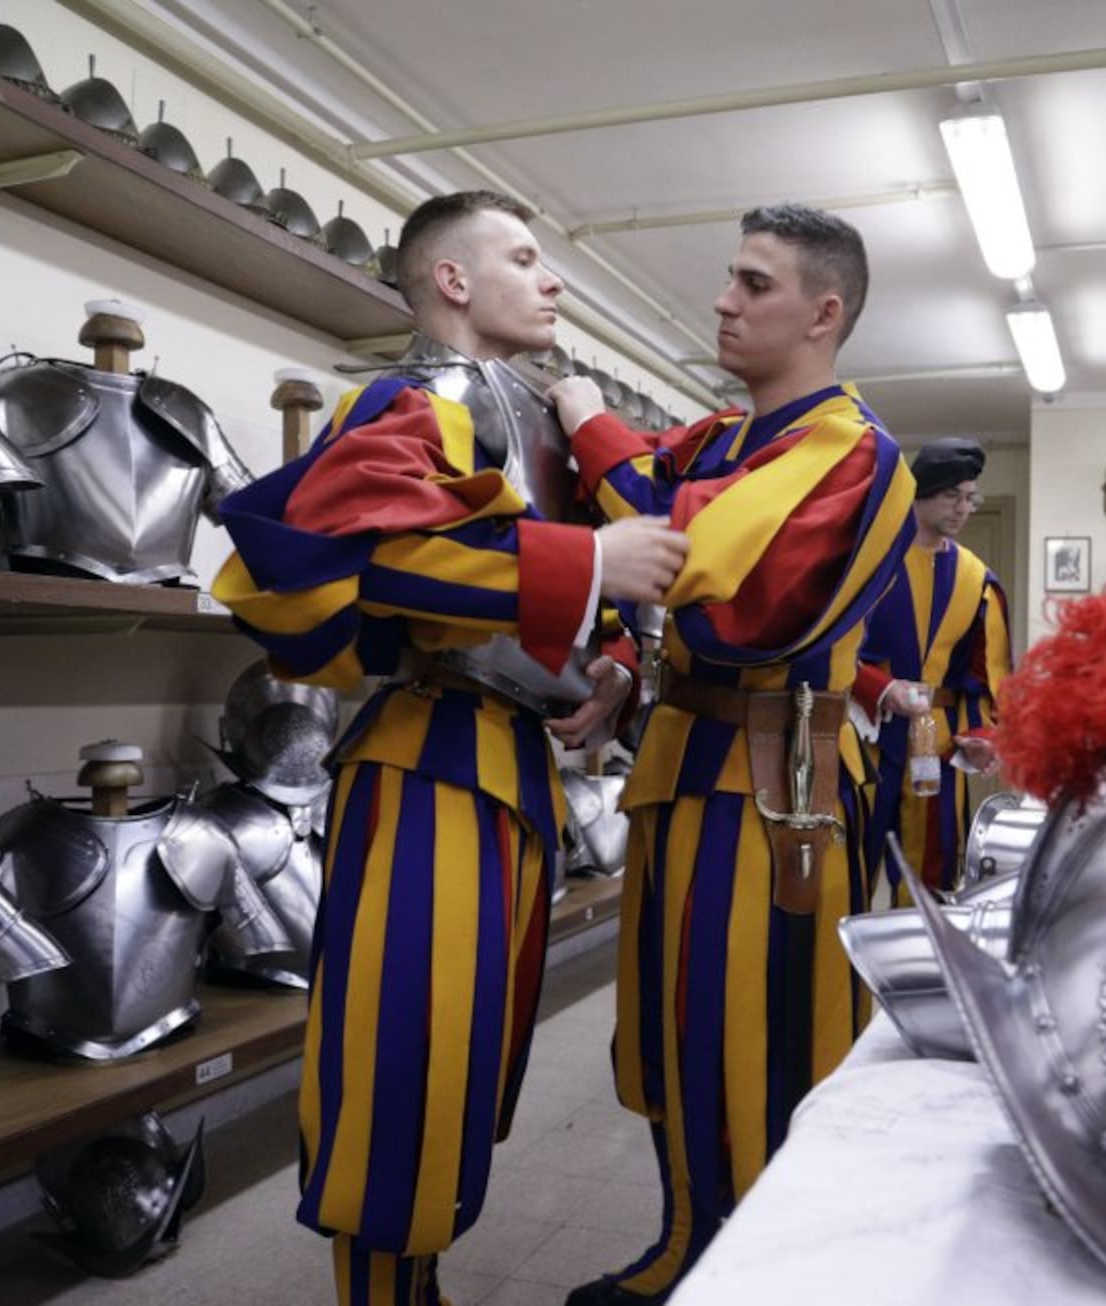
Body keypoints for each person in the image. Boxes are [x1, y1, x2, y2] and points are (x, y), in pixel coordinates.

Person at [212, 189, 689, 1306]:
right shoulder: (418, 396)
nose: (554, 278)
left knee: (465, 1060)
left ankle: (416, 1278)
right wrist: (587, 569)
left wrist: (614, 661)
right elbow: (346, 561)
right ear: (453, 282)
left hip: (514, 762)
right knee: (401, 1055)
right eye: (525, 258)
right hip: (429, 760)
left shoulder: (522, 408)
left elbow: (558, 579)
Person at [545, 204, 917, 1305]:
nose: (724, 299)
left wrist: (584, 415)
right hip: (680, 761)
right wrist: (619, 657)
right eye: (730, 278)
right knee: (666, 1031)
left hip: (773, 787)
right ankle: (684, 1244)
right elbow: (632, 554)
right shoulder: (715, 438)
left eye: (753, 283)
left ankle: (760, 1272)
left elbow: (687, 556)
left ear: (823, 310)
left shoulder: (853, 449)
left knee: (761, 1038)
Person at [853, 436, 1013, 901]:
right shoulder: (870, 564)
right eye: (951, 496)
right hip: (865, 735)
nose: (964, 508)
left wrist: (982, 737)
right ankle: (847, 970)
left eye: (970, 498)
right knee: (850, 866)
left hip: (937, 746)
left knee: (933, 879)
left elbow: (988, 674)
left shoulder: (975, 577)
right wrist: (881, 689)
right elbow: (832, 649)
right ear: (919, 493)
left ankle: (924, 968)